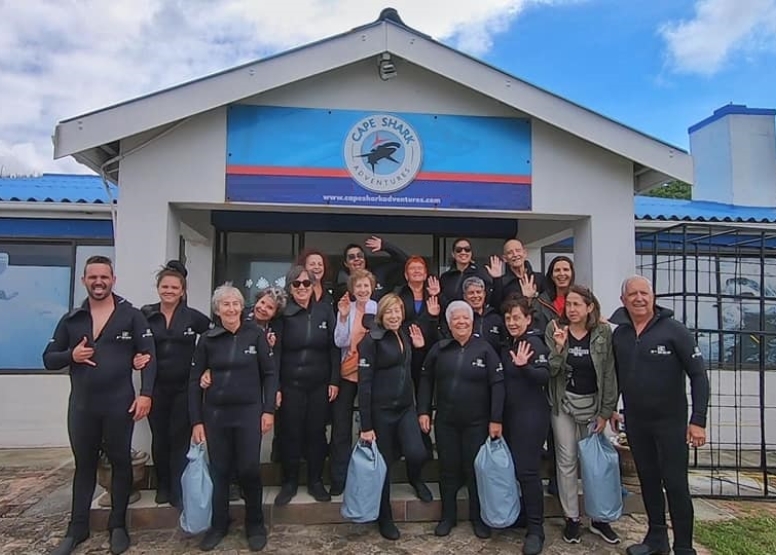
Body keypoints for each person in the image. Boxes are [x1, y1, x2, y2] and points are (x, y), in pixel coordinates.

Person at [42, 255, 157, 555]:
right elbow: (48, 359)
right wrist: (72, 356)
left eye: (104, 276)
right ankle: (76, 529)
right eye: (92, 277)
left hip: (119, 404)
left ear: (113, 280)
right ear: (84, 281)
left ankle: (117, 526)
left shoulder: (131, 315)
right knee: (85, 467)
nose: (98, 282)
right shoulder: (72, 319)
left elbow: (148, 355)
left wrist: (145, 393)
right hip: (82, 407)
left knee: (121, 464)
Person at [610, 276, 709, 555]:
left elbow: (699, 376)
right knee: (648, 481)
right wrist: (612, 408)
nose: (639, 299)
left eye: (644, 293)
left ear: (653, 297)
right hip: (637, 422)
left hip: (671, 422)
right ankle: (656, 540)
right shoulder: (621, 334)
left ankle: (684, 546)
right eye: (633, 294)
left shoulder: (675, 331)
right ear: (623, 300)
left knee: (675, 483)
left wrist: (698, 420)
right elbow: (616, 375)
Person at [188, 284, 276, 552]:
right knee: (220, 471)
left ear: (242, 307)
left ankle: (255, 524)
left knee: (249, 469)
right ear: (217, 309)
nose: (231, 308)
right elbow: (194, 381)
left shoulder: (255, 335)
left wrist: (268, 410)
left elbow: (270, 374)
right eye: (225, 304)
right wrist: (196, 421)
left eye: (236, 303)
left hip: (248, 412)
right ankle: (219, 524)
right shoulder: (207, 339)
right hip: (215, 414)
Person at [418, 300, 505, 540]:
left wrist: (496, 419)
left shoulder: (485, 349)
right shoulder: (440, 349)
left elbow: (498, 385)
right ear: (449, 323)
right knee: (447, 469)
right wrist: (423, 411)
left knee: (474, 470)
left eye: (465, 318)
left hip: (477, 422)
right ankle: (448, 517)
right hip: (446, 421)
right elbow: (425, 380)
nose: (461, 322)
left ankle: (478, 518)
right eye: (456, 318)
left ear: (472, 320)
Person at [132, 261, 210, 510]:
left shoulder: (192, 317)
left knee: (179, 438)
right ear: (158, 288)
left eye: (174, 287)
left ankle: (177, 488)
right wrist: (133, 358)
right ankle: (163, 485)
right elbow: (131, 343)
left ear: (182, 291)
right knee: (160, 437)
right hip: (154, 387)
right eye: (165, 286)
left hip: (185, 387)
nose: (169, 291)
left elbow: (215, 336)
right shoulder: (145, 314)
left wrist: (209, 366)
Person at [546, 285, 620, 546]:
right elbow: (551, 371)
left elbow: (610, 373)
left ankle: (599, 518)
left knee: (594, 463)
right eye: (569, 304)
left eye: (577, 304)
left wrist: (606, 411)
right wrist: (558, 347)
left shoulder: (603, 333)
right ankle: (572, 519)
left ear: (590, 307)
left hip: (593, 406)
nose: (572, 309)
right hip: (563, 403)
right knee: (566, 461)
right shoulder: (556, 328)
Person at [357, 293, 430, 540]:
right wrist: (366, 425)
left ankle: (415, 478)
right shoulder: (371, 341)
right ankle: (384, 517)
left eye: (397, 311)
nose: (394, 316)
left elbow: (407, 369)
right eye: (389, 312)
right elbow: (364, 385)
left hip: (405, 407)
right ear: (381, 314)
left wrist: (418, 350)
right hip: (382, 411)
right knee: (385, 467)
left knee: (417, 452)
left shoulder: (404, 334)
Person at [273, 266, 340, 506]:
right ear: (290, 288)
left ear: (313, 286)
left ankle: (315, 481)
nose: (302, 288)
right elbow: (276, 352)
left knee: (316, 433)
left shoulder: (324, 311)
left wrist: (334, 380)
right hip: (291, 384)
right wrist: (276, 387)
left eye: (306, 284)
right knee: (290, 434)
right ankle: (289, 482)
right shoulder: (282, 315)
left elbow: (334, 347)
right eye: (297, 284)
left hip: (319, 385)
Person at [500, 296, 552, 555]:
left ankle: (536, 529)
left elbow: (544, 375)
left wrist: (524, 367)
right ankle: (523, 515)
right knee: (517, 471)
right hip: (511, 417)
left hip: (531, 416)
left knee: (528, 472)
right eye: (508, 318)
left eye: (517, 318)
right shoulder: (512, 343)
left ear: (528, 319)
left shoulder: (533, 343)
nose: (512, 322)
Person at [329, 269, 378, 496]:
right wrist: (343, 316)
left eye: (366, 286)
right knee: (341, 427)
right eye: (358, 286)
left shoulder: (377, 309)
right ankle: (339, 477)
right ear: (352, 289)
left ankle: (368, 475)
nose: (362, 290)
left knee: (369, 425)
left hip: (371, 375)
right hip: (347, 373)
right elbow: (340, 341)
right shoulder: (345, 308)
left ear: (372, 287)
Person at [333, 236, 409, 301]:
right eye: (351, 257)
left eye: (360, 256)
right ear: (346, 263)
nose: (356, 259)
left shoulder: (379, 274)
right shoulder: (342, 288)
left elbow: (407, 264)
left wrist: (386, 246)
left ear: (365, 260)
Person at [488, 238, 545, 310]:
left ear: (525, 253)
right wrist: (496, 279)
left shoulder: (539, 278)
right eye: (510, 252)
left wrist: (531, 298)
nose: (515, 255)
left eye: (518, 250)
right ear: (505, 258)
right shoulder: (501, 282)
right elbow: (495, 308)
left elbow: (546, 307)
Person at [439, 238, 493, 307]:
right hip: (452, 315)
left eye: (467, 249)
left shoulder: (481, 273)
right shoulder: (445, 277)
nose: (463, 252)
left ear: (471, 253)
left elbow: (490, 299)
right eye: (459, 250)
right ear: (453, 254)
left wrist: (497, 279)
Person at [461, 276, 504, 352]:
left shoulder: (496, 318)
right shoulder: (461, 319)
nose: (475, 296)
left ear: (484, 294)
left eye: (478, 292)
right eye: (471, 293)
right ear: (465, 296)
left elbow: (504, 344)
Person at [533, 256, 574, 334]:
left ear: (572, 273)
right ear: (551, 276)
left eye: (566, 269)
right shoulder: (540, 302)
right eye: (557, 270)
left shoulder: (582, 298)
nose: (562, 273)